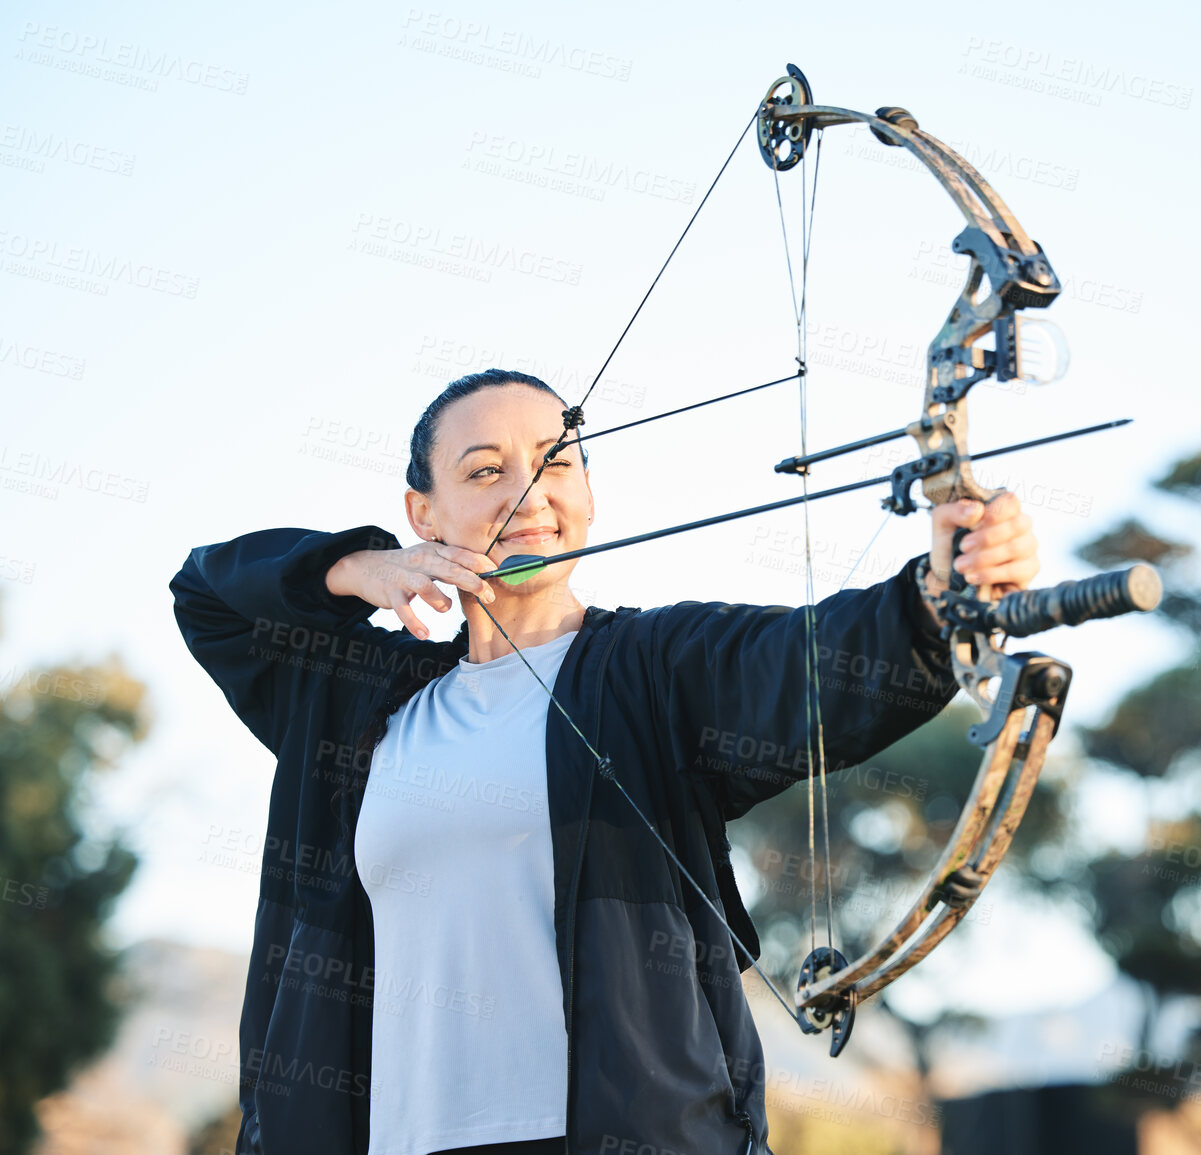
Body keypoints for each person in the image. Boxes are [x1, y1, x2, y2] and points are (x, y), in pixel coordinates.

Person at [171, 368, 1041, 1155]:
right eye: (485, 471)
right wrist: (352, 566)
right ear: (423, 515)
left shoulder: (653, 669)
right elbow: (207, 596)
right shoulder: (359, 699)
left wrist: (941, 590)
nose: (530, 496)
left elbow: (811, 668)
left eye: (557, 464)